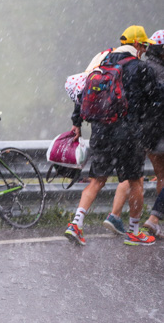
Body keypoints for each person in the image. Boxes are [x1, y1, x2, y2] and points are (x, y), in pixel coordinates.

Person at [64, 25, 159, 246]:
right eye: (143, 45)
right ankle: (134, 231)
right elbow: (154, 100)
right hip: (129, 134)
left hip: (100, 130)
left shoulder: (102, 62)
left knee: (97, 180)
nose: (144, 50)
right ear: (136, 44)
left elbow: (81, 94)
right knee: (135, 182)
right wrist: (146, 126)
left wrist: (76, 122)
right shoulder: (140, 68)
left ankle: (76, 224)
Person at [140, 29, 164, 237]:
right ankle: (154, 218)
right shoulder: (160, 71)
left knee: (161, 177)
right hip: (160, 130)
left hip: (146, 132)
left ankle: (157, 222)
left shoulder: (144, 67)